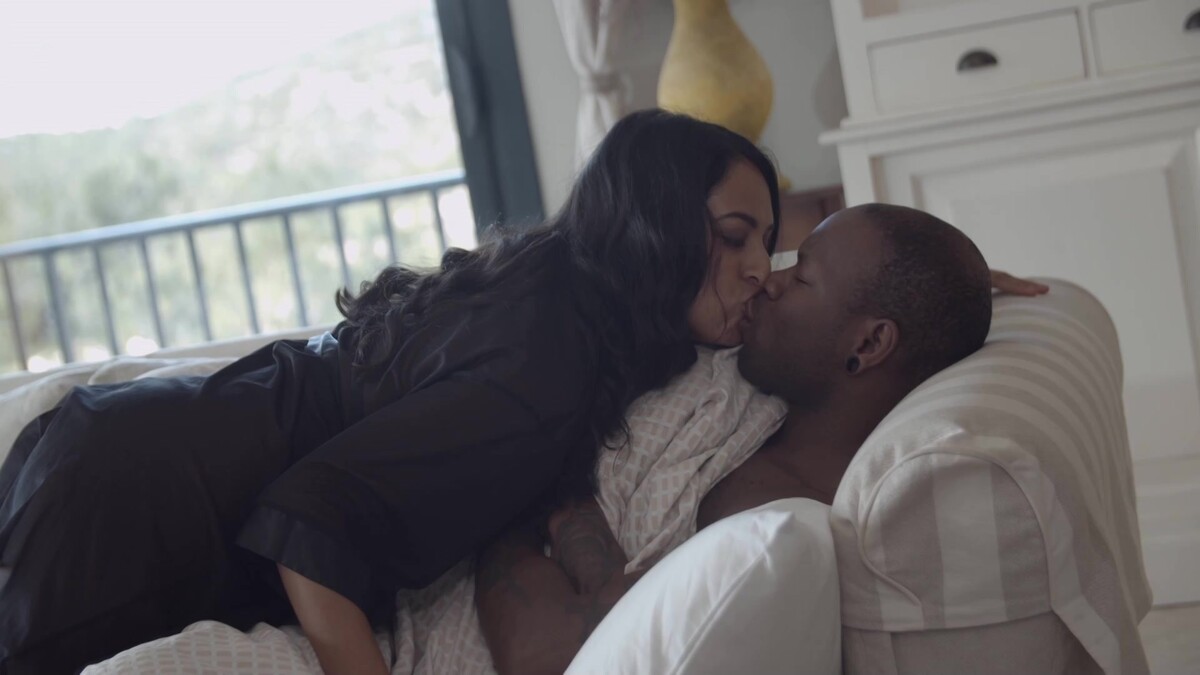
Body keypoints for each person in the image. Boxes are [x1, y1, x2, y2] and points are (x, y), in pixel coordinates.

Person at [0, 109, 783, 675]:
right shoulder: (551, 363)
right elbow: (309, 523)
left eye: (770, 243)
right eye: (735, 235)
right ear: (655, 223)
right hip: (141, 514)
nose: (761, 268)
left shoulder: (555, 289)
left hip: (117, 447)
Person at [474, 203, 1047, 674]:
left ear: (869, 345)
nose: (770, 280)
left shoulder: (770, 527)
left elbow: (542, 655)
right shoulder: (758, 378)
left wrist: (535, 492)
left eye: (801, 276)